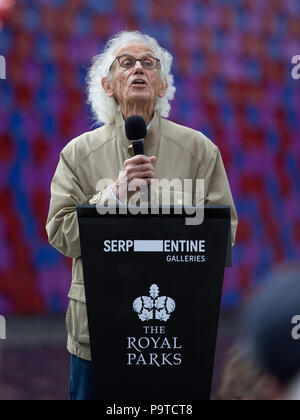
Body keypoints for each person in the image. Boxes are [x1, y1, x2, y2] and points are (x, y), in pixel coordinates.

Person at [46, 30, 238, 400]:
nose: (138, 69)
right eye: (127, 62)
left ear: (163, 85)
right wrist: (112, 196)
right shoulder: (78, 154)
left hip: (176, 332)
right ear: (107, 85)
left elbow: (222, 233)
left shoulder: (199, 151)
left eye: (149, 64)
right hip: (99, 330)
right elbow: (60, 233)